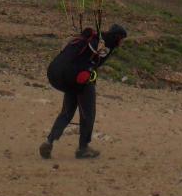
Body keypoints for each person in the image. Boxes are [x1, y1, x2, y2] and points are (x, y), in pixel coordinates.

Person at [40, 23, 127, 161]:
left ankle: (49, 141)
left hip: (70, 79)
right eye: (123, 39)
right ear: (118, 37)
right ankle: (83, 148)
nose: (123, 42)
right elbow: (93, 63)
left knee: (66, 112)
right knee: (88, 114)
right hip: (82, 81)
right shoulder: (105, 45)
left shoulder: (95, 39)